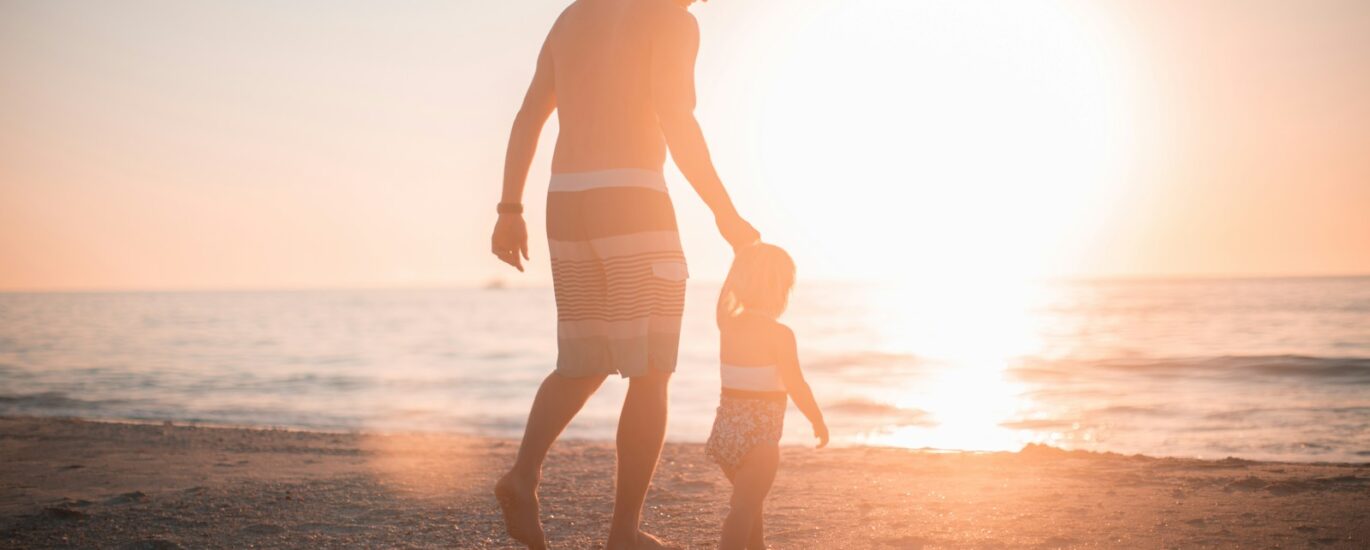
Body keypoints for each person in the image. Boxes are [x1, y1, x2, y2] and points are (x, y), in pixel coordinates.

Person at [489, 0, 759, 548]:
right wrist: (725, 214)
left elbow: (528, 116)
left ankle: (522, 476)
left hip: (565, 201)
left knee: (583, 362)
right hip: (632, 198)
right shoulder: (672, 22)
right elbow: (676, 118)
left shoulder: (574, 16)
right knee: (651, 370)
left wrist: (508, 210)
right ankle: (622, 534)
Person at [706, 243, 827, 550]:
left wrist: (740, 255)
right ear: (781, 291)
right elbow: (796, 385)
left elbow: (724, 297)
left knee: (750, 503)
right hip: (760, 439)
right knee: (744, 507)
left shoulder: (727, 324)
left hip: (725, 435)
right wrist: (817, 420)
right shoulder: (780, 334)